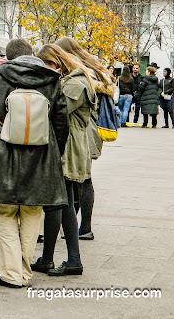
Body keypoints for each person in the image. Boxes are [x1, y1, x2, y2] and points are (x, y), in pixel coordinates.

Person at [0, 38, 68, 289]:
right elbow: (61, 122)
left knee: (5, 213)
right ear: (33, 54)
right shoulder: (52, 79)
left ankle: (11, 274)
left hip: (1, 153)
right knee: (32, 212)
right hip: (40, 155)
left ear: (8, 56)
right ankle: (22, 273)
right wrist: (56, 151)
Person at [33, 44, 96, 277]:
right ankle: (50, 258)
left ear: (57, 63)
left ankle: (72, 260)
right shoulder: (70, 81)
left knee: (64, 204)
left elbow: (55, 111)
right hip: (66, 145)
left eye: (46, 65)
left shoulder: (75, 84)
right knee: (60, 204)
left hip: (69, 148)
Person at [55, 36, 115, 241]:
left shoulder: (82, 74)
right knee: (82, 178)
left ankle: (82, 227)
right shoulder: (94, 69)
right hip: (92, 127)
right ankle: (81, 227)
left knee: (81, 178)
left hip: (84, 128)